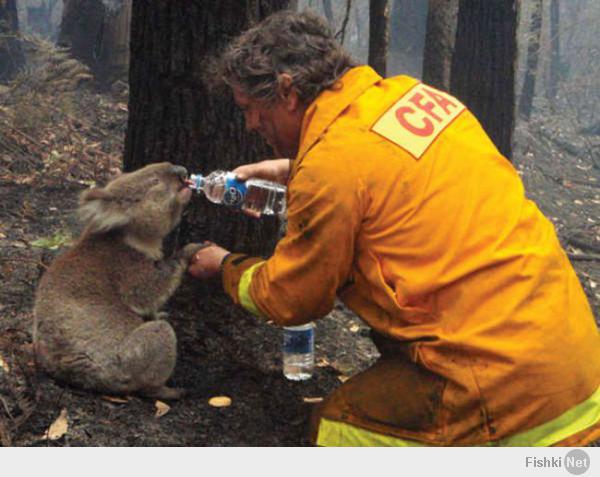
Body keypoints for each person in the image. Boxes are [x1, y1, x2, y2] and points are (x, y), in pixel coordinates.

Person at [188, 10, 600, 446]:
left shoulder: (332, 168)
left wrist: (225, 266)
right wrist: (294, 170)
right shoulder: (413, 97)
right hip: (575, 364)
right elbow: (384, 171)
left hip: (502, 389)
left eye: (251, 109)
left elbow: (293, 298)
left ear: (287, 92)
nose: (251, 126)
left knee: (337, 430)